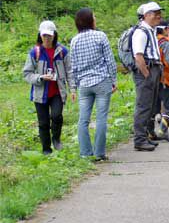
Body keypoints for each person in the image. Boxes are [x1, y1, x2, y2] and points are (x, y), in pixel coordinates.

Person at [70, 9, 117, 161]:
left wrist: (74, 86)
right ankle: (99, 153)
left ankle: (85, 153)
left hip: (84, 84)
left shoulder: (74, 40)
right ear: (90, 20)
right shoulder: (100, 36)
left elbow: (73, 67)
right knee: (101, 117)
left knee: (83, 120)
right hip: (102, 81)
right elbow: (110, 60)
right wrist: (113, 80)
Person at [23, 21, 75, 155]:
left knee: (57, 116)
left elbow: (70, 71)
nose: (47, 38)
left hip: (57, 91)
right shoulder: (35, 52)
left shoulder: (62, 51)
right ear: (40, 35)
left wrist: (72, 89)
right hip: (40, 93)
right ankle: (46, 149)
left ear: (54, 35)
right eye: (44, 35)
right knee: (43, 123)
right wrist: (40, 77)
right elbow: (27, 73)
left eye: (49, 35)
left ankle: (56, 139)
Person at [132, 2, 163, 151]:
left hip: (153, 68)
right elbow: (138, 56)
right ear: (146, 15)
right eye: (155, 13)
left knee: (150, 106)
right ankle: (139, 140)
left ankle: (144, 136)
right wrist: (147, 75)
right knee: (143, 106)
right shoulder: (141, 32)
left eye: (159, 12)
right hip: (147, 70)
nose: (159, 15)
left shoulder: (151, 30)